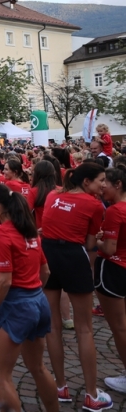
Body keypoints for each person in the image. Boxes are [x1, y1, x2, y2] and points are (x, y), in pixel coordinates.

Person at [0, 184, 59, 412]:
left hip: (17, 306)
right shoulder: (29, 230)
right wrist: (33, 292)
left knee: (0, 375)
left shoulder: (2, 233)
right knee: (38, 368)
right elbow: (45, 271)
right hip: (37, 299)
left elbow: (4, 281)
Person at [40, 161, 112, 408]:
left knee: (52, 326)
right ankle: (92, 395)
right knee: (85, 329)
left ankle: (60, 387)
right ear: (86, 182)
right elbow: (90, 244)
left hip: (48, 252)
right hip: (73, 255)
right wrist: (88, 270)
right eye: (101, 180)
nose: (104, 185)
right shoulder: (94, 205)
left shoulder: (53, 194)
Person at [96, 165, 126, 394]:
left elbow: (108, 248)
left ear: (118, 185)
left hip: (113, 269)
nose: (102, 185)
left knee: (119, 328)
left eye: (106, 181)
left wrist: (92, 242)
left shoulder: (116, 210)